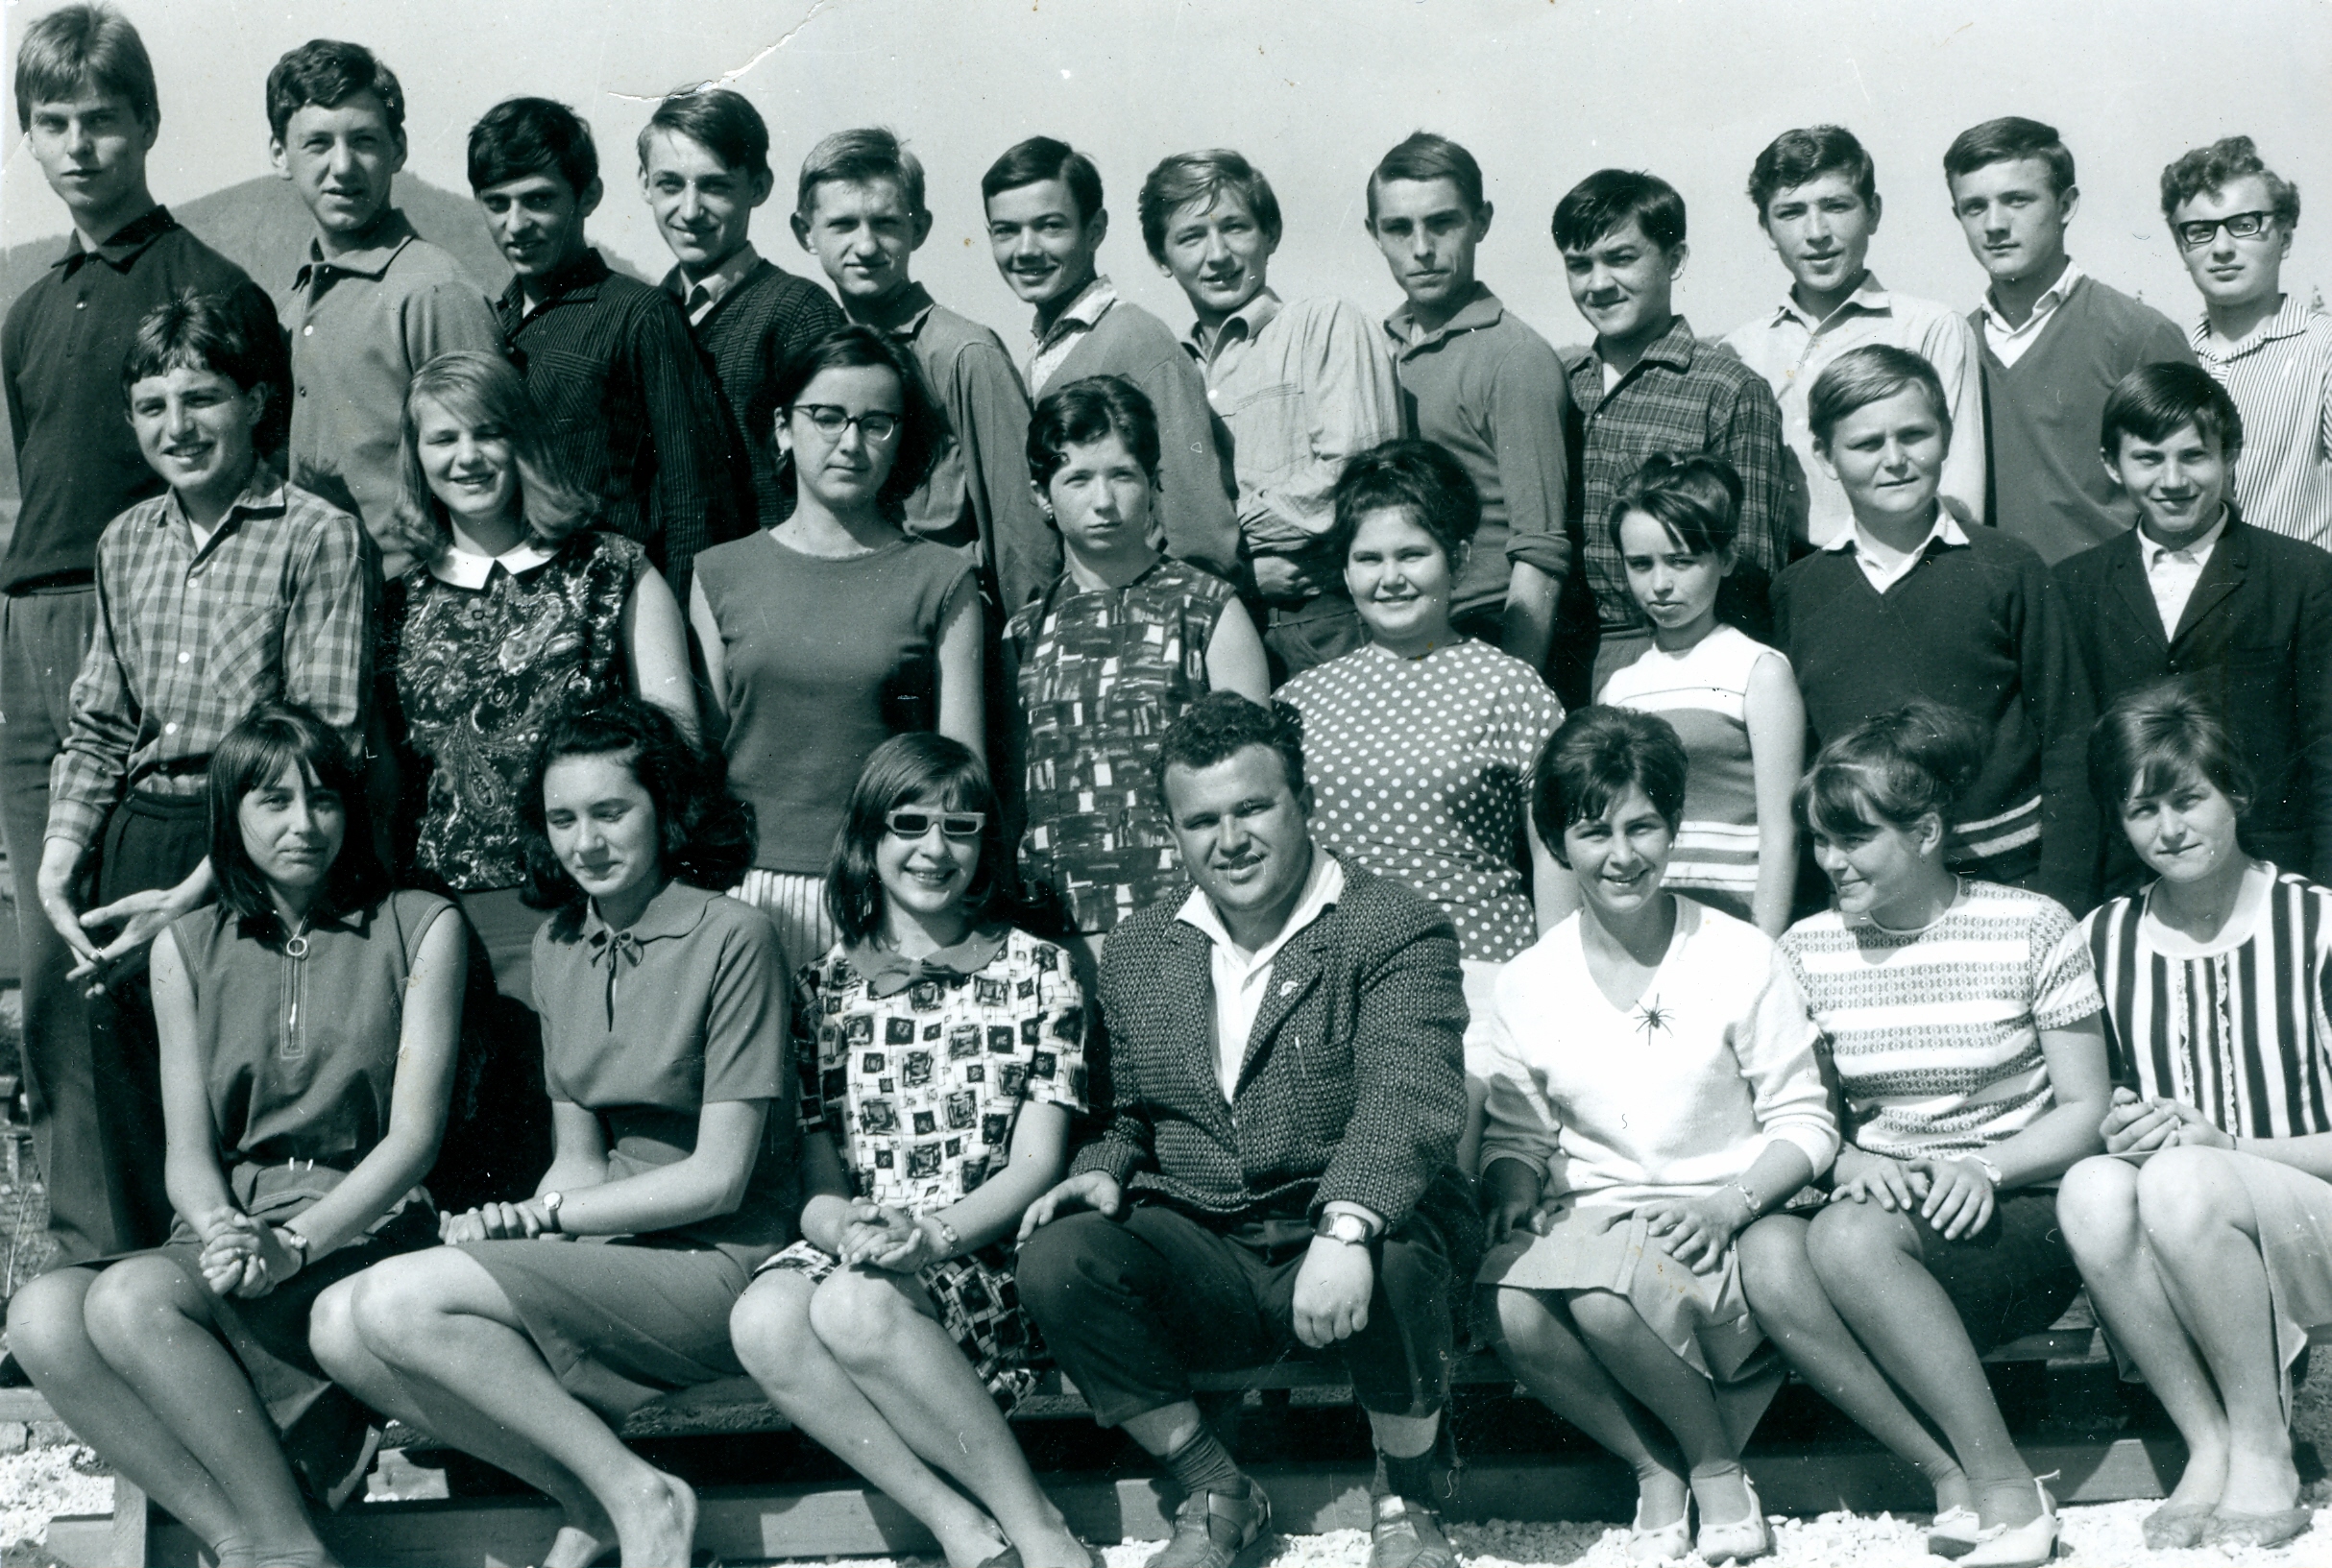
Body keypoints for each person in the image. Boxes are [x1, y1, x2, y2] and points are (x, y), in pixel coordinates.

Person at [311, 698, 792, 1568]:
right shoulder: (559, 943)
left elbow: (720, 1177)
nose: (586, 843)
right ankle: (596, 1495)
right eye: (563, 819)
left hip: (720, 1257)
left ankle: (643, 1499)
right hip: (613, 1252)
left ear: (667, 811)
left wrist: (545, 1219)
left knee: (394, 1301)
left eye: (611, 812)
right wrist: (511, 1227)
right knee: (337, 1324)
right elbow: (575, 1157)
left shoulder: (735, 935)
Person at [1017, 693, 1476, 1568]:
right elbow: (1127, 1110)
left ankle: (1408, 1496)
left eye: (1253, 808)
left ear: (1304, 801)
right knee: (1059, 1258)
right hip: (1208, 1238)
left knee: (1401, 1262)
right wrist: (1104, 1165)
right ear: (1173, 832)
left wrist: (1347, 1224)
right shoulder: (1142, 946)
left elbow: (1408, 1095)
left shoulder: (1393, 923)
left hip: (1341, 1225)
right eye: (1202, 821)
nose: (1229, 840)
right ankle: (1215, 1486)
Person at [5, 702, 462, 1565]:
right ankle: (242, 1538)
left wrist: (294, 1242)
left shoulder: (421, 924)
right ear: (230, 814)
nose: (304, 825)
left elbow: (412, 1140)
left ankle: (289, 1550)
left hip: (358, 1221)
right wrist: (222, 1227)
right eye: (273, 801)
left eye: (324, 799)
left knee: (129, 1298)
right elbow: (188, 1151)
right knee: (40, 1316)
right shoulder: (186, 944)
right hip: (235, 1221)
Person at [3, 3, 281, 1268]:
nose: (78, 145)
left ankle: (192, 1248)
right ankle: (82, 1257)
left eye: (102, 119)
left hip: (157, 627)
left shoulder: (209, 288)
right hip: (31, 629)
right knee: (54, 950)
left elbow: (248, 494)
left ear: (149, 123)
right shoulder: (28, 308)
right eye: (52, 122)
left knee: (162, 950)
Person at [1739, 701, 2112, 1568]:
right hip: (1880, 1206)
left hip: (2018, 1204)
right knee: (1767, 1255)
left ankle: (2009, 1486)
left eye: (1854, 838)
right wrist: (1848, 1158)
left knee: (1848, 1238)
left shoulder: (2032, 925)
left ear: (1928, 831)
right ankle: (1949, 1474)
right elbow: (1798, 1108)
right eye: (1820, 840)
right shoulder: (1806, 950)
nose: (1830, 861)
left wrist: (1985, 1165)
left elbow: (2086, 1108)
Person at [36, 290, 369, 1255]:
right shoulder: (125, 541)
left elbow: (322, 738)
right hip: (138, 842)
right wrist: (60, 862)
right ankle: (147, 1305)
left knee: (230, 1104)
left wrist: (192, 896)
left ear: (255, 401)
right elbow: (101, 723)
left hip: (255, 857)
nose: (176, 427)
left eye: (202, 399)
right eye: (152, 407)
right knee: (135, 1105)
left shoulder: (316, 534)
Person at [1476, 707, 1836, 1565]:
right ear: (1559, 843)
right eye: (1593, 831)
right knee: (1506, 1301)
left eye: (1642, 826)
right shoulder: (1528, 980)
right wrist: (1513, 1186)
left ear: (1674, 825)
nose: (1621, 854)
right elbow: (1518, 1133)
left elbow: (1807, 1121)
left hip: (1715, 1225)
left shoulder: (1740, 955)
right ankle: (1654, 1464)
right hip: (1594, 1224)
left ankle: (1716, 1466)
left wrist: (1728, 1205)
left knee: (1604, 1295)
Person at [730, 734, 1097, 1568]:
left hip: (983, 1247)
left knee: (851, 1307)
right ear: (867, 839)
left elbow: (1036, 1162)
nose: (935, 849)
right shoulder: (822, 988)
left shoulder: (1040, 971)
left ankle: (1037, 1524)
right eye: (909, 824)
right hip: (868, 1245)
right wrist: (848, 1228)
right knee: (763, 1317)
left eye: (960, 828)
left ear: (984, 846)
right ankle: (955, 1524)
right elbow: (819, 1185)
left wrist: (932, 1235)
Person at [2056, 683, 2332, 1553]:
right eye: (2143, 810)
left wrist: (2229, 1146)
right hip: (2188, 1220)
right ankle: (2209, 1444)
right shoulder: (2102, 939)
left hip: (2313, 1211)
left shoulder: (2318, 925)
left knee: (2185, 1177)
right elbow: (2096, 1108)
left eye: (2188, 799)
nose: (2169, 829)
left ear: (2236, 793)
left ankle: (2266, 1447)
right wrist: (2122, 1128)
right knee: (2091, 1187)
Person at [380, 349, 697, 1003]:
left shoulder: (612, 569)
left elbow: (678, 747)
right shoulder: (397, 601)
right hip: (447, 919)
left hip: (597, 903)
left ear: (523, 439)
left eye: (489, 432)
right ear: (417, 456)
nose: (468, 457)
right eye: (444, 438)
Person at [1277, 440, 1563, 1159]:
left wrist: (1558, 994)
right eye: (1369, 558)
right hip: (1332, 984)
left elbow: (1555, 859)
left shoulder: (1512, 688)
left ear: (1458, 558)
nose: (1390, 577)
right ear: (1345, 570)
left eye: (1413, 554)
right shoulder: (1299, 701)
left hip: (1475, 979)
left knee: (1439, 1183)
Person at [690, 325, 979, 966]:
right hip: (745, 893)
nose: (851, 443)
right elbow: (703, 762)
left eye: (876, 423)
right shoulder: (719, 574)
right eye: (826, 417)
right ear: (783, 428)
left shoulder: (942, 578)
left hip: (889, 891)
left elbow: (961, 768)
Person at [1774, 345, 2097, 912]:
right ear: (1824, 455)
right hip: (1866, 899)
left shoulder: (2009, 568)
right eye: (1867, 444)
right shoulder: (1797, 593)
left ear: (1946, 435)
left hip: (2011, 883)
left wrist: (2062, 897)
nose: (1895, 460)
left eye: (1914, 435)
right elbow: (1797, 766)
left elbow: (2070, 738)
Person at [1003, 376, 1268, 951]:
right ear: (1042, 494)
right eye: (1078, 479)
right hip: (1055, 930)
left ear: (1153, 482)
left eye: (1122, 475)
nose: (1103, 501)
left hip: (1185, 925)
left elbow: (1253, 785)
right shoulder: (1024, 632)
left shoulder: (1208, 610)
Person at [2055, 363, 2332, 897]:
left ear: (2230, 455)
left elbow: (2327, 747)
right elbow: (2072, 760)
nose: (2173, 481)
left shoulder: (2303, 577)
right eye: (2148, 459)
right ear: (2111, 464)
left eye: (2194, 456)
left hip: (2271, 873)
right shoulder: (2073, 586)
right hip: (2129, 882)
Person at [1143, 147, 1400, 680]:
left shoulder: (1324, 324)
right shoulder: (1167, 368)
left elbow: (1355, 477)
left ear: (1271, 233)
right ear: (1161, 258)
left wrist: (1217, 545)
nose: (1217, 255)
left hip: (1320, 622)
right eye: (1191, 237)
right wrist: (1238, 570)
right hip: (1207, 629)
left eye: (1235, 227)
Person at [468, 96, 741, 591]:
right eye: (497, 203)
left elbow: (694, 499)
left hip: (613, 605)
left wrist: (680, 624)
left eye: (539, 200)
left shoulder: (641, 314)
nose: (516, 224)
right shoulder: (490, 321)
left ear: (588, 195)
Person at [794, 127, 1057, 616]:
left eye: (886, 223)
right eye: (843, 224)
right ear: (805, 232)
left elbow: (1022, 531)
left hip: (947, 617)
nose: (866, 245)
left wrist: (1028, 640)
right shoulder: (815, 352)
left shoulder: (962, 354)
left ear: (920, 228)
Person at [266, 38, 503, 576]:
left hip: (419, 596)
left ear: (397, 148)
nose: (343, 166)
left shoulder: (433, 291)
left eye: (365, 140)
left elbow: (491, 477)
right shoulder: (289, 304)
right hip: (317, 596)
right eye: (317, 143)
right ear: (280, 154)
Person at [1555, 169, 1791, 702]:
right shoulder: (1561, 385)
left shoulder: (1728, 389)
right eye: (1579, 264)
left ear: (1675, 259)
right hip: (1562, 656)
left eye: (1621, 258)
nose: (1598, 283)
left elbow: (1750, 569)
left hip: (1677, 655)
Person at [981, 135, 1239, 580]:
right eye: (1006, 230)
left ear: (1095, 229)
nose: (1026, 250)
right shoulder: (1039, 356)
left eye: (1050, 226)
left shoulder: (1137, 339)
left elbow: (1201, 532)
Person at [1944, 115, 2195, 566]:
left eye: (2017, 200)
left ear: (2065, 204)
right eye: (1975, 207)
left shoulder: (2137, 334)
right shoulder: (1954, 345)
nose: (1995, 224)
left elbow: (2201, 503)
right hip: (1998, 599)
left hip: (2112, 599)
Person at [1723, 125, 1983, 552]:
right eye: (1790, 213)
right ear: (1767, 229)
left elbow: (1961, 498)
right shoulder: (1742, 349)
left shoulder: (1930, 328)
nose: (1816, 232)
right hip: (1780, 576)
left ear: (1873, 212)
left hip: (1904, 565)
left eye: (1836, 206)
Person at [1363, 133, 1568, 675]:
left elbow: (1541, 551)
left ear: (1481, 221)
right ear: (1374, 234)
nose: (1422, 248)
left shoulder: (1514, 356)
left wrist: (1513, 690)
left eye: (1442, 223)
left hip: (1489, 632)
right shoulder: (1376, 350)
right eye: (1399, 228)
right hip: (1398, 632)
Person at [1598, 455, 1805, 934]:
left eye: (1681, 560)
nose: (1660, 584)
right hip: (1649, 926)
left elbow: (1782, 834)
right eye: (1641, 564)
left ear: (1726, 559)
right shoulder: (1619, 688)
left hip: (1736, 922)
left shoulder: (1758, 671)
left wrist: (1763, 945)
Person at [636, 87, 842, 533]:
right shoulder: (641, 315)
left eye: (715, 186)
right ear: (644, 184)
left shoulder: (800, 312)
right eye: (670, 184)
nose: (690, 210)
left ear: (759, 187)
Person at [2160, 135, 2332, 551]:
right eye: (2200, 231)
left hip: (2294, 588)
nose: (2222, 248)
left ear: (2285, 238)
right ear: (2182, 248)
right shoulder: (2166, 354)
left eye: (2244, 225)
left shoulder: (2322, 350)